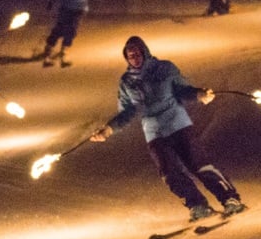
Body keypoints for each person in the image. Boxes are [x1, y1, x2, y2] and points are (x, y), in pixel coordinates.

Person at [90, 37, 246, 222]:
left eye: (137, 53)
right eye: (130, 55)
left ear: (145, 52)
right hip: (154, 132)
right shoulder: (126, 82)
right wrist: (108, 129)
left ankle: (230, 198)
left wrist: (198, 94)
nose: (135, 58)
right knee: (169, 173)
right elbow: (127, 111)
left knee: (199, 164)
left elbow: (182, 89)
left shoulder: (164, 68)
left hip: (178, 124)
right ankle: (197, 205)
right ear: (126, 58)